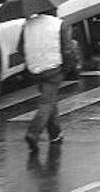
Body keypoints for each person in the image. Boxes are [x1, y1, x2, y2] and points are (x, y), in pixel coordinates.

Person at [22, 9, 70, 152]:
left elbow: (21, 47)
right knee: (46, 103)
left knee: (49, 100)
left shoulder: (27, 24)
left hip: (35, 68)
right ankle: (33, 133)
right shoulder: (59, 24)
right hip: (53, 69)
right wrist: (67, 68)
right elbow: (66, 49)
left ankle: (55, 134)